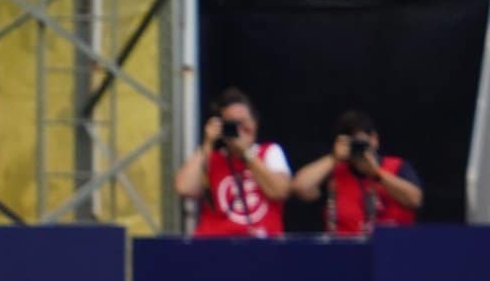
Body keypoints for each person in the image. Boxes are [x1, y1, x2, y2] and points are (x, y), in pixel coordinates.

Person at [173, 88, 293, 238]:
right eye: (233, 124)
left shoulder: (269, 152)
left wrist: (246, 154)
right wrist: (208, 143)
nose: (240, 129)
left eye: (244, 122)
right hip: (215, 245)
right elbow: (184, 188)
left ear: (255, 122)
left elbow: (280, 191)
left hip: (261, 245)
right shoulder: (212, 158)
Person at [291, 110, 423, 236]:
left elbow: (414, 200)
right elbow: (300, 187)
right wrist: (333, 158)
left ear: (374, 139)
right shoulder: (335, 172)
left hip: (391, 248)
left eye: (361, 142)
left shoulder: (397, 166)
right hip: (345, 250)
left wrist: (377, 174)